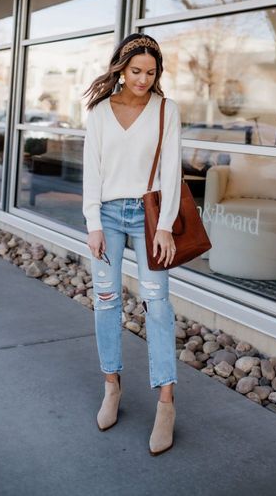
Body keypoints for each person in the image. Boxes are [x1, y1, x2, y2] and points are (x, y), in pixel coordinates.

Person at [82, 32, 182, 456]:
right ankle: (112, 387)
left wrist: (166, 226)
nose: (143, 79)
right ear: (121, 68)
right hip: (106, 214)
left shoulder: (166, 110)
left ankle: (166, 405)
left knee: (157, 304)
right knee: (106, 301)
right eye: (136, 70)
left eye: (151, 72)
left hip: (149, 216)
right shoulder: (101, 112)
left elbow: (173, 169)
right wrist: (92, 222)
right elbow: (92, 169)